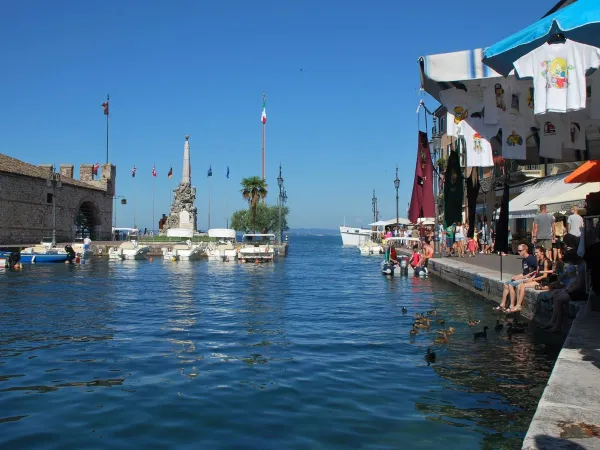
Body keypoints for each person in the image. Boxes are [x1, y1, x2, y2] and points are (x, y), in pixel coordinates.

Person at [509, 246, 553, 313]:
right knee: (520, 285)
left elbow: (545, 275)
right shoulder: (538, 260)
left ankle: (518, 305)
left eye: (537, 252)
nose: (536, 254)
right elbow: (537, 273)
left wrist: (534, 279)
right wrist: (531, 278)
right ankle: (518, 304)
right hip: (537, 279)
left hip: (543, 281)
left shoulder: (546, 261)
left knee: (523, 286)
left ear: (542, 252)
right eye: (535, 252)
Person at [496, 244, 538, 311]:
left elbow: (534, 272)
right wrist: (515, 276)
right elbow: (524, 273)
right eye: (518, 250)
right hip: (525, 277)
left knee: (510, 284)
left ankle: (511, 305)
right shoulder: (524, 260)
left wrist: (520, 278)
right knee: (506, 284)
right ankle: (502, 304)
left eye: (520, 250)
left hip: (529, 278)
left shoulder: (531, 259)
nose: (518, 252)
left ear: (525, 250)